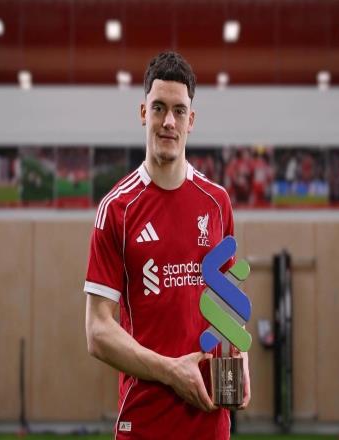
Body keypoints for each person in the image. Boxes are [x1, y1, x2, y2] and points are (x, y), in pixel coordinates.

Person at [84, 51, 250, 440]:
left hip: (209, 423)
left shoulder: (217, 203)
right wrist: (171, 371)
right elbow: (97, 331)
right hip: (144, 423)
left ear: (191, 120)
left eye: (179, 111)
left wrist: (240, 355)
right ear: (144, 112)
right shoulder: (117, 210)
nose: (169, 122)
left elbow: (226, 307)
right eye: (159, 108)